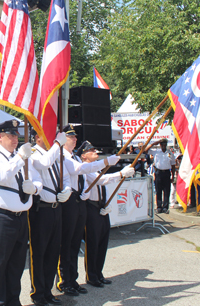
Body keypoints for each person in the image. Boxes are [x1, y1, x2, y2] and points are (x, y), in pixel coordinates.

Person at [0, 120, 42, 306]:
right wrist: (20, 158)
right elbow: (1, 175)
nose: (15, 139)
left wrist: (35, 188)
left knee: (16, 264)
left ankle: (13, 301)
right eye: (11, 135)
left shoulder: (21, 157)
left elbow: (38, 179)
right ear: (0, 137)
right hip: (1, 217)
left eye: (16, 135)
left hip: (22, 217)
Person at [57, 125, 120, 296]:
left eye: (75, 137)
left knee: (75, 243)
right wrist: (106, 162)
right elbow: (79, 170)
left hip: (79, 202)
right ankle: (64, 280)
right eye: (71, 137)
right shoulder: (63, 156)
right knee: (67, 242)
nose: (75, 139)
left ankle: (73, 279)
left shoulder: (74, 158)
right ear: (62, 139)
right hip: (69, 202)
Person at [78, 141, 134, 288]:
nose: (95, 151)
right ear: (83, 156)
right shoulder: (86, 169)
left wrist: (106, 205)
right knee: (93, 243)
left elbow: (104, 185)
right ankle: (91, 276)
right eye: (90, 150)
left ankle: (99, 273)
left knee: (103, 242)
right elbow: (102, 181)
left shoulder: (97, 169)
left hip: (101, 208)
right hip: (91, 209)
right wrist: (122, 173)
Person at [28, 130, 71, 306]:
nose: (51, 140)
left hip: (56, 209)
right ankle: (37, 293)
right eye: (46, 136)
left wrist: (67, 190)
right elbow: (44, 164)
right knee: (39, 253)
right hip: (41, 211)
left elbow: (65, 176)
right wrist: (58, 145)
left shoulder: (54, 153)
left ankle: (47, 291)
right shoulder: (32, 154)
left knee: (53, 252)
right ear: (37, 138)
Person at [144, 138, 175, 213]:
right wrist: (154, 144)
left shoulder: (170, 153)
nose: (163, 146)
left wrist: (173, 175)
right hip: (158, 173)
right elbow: (145, 150)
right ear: (160, 145)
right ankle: (159, 207)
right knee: (158, 190)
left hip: (167, 173)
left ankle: (165, 207)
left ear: (166, 145)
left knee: (167, 191)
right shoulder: (156, 152)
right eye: (162, 144)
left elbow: (173, 165)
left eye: (165, 144)